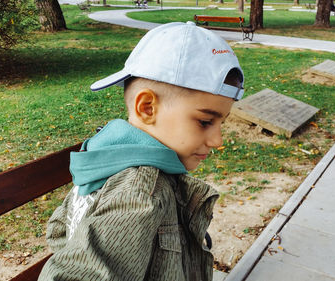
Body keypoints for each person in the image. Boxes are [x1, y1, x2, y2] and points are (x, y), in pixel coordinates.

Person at [38, 22, 244, 281]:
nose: (217, 140)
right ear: (147, 108)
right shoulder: (140, 189)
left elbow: (59, 231)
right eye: (205, 122)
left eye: (221, 122)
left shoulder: (104, 160)